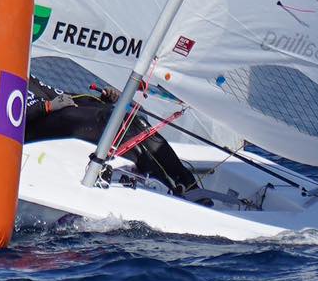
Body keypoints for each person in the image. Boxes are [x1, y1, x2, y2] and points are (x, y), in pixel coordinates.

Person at [23, 73, 200, 196]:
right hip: (33, 132)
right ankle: (166, 184)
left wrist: (103, 100)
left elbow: (63, 96)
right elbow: (10, 115)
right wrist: (46, 107)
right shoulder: (7, 74)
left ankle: (186, 183)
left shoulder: (27, 74)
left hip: (56, 119)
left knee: (129, 119)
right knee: (110, 120)